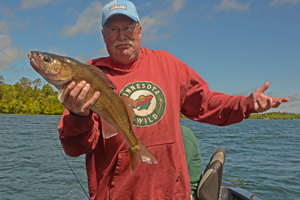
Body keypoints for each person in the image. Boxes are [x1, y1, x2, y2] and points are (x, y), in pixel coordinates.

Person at [57, 0, 289, 199]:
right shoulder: (88, 75)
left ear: (139, 30)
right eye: (113, 29)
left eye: (127, 27)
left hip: (171, 192)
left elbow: (206, 103)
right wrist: (79, 116)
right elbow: (75, 147)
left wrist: (246, 104)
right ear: (103, 36)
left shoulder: (167, 64)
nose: (122, 36)